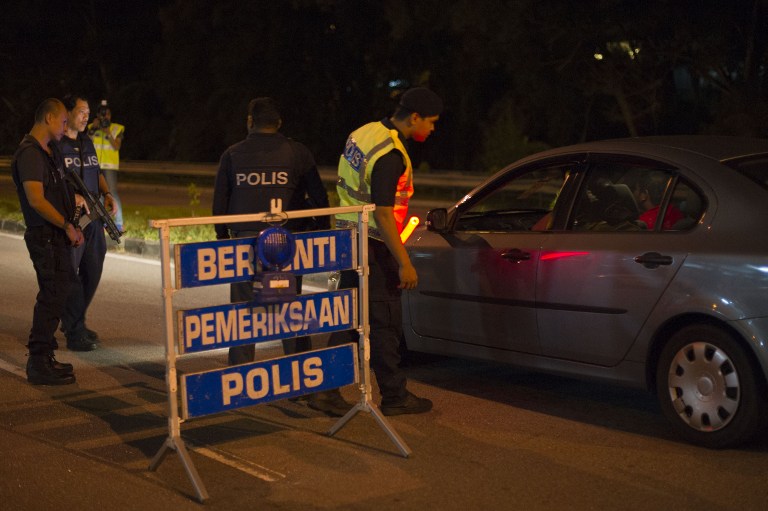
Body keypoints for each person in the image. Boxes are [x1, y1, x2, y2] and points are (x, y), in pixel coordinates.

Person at [324, 87, 443, 417]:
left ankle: (325, 389)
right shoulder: (391, 153)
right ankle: (394, 396)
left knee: (348, 317)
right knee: (384, 322)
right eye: (430, 122)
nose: (431, 129)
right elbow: (383, 212)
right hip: (373, 245)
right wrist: (403, 262)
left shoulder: (365, 132)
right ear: (414, 118)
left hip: (348, 237)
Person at [212, 97, 330, 366]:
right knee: (290, 310)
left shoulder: (232, 154)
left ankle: (240, 374)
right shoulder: (298, 152)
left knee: (243, 313)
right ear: (279, 123)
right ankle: (301, 374)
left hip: (243, 245)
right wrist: (317, 234)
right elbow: (320, 200)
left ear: (250, 122)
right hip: (285, 246)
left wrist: (222, 239)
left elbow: (219, 204)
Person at [11, 98, 85, 385]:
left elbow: (56, 190)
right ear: (49, 119)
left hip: (56, 235)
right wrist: (66, 225)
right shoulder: (30, 153)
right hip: (45, 235)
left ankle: (46, 356)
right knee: (52, 294)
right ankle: (38, 361)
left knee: (58, 292)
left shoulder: (48, 152)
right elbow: (36, 200)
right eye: (64, 121)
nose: (66, 127)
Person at [59, 95, 119, 351]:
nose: (86, 116)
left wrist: (107, 194)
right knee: (70, 276)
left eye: (88, 112)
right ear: (68, 113)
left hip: (93, 219)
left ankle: (75, 321)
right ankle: (75, 331)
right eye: (82, 111)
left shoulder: (87, 141)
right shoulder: (55, 144)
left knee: (92, 271)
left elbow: (98, 172)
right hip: (71, 221)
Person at [88, 102, 124, 231]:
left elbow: (116, 146)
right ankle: (104, 220)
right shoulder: (91, 127)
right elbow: (85, 142)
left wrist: (107, 132)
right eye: (103, 114)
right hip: (95, 165)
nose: (105, 117)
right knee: (99, 195)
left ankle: (119, 223)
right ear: (97, 115)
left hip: (109, 167)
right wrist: (94, 129)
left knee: (112, 193)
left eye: (107, 114)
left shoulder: (116, 128)